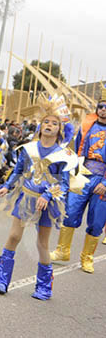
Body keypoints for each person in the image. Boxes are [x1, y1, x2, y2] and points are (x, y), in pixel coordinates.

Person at [0, 95, 77, 300]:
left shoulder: (64, 154)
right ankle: (1, 279)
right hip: (27, 198)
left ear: (60, 130)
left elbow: (63, 184)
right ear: (40, 126)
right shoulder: (28, 148)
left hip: (48, 204)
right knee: (13, 237)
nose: (49, 125)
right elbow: (18, 171)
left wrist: (47, 195)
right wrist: (6, 187)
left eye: (54, 123)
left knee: (42, 244)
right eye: (46, 122)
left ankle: (44, 287)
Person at [50, 88, 106, 273]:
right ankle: (62, 251)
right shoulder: (86, 126)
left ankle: (87, 258)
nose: (104, 109)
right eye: (101, 106)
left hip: (102, 180)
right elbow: (77, 151)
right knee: (71, 212)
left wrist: (104, 184)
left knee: (97, 221)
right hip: (82, 174)